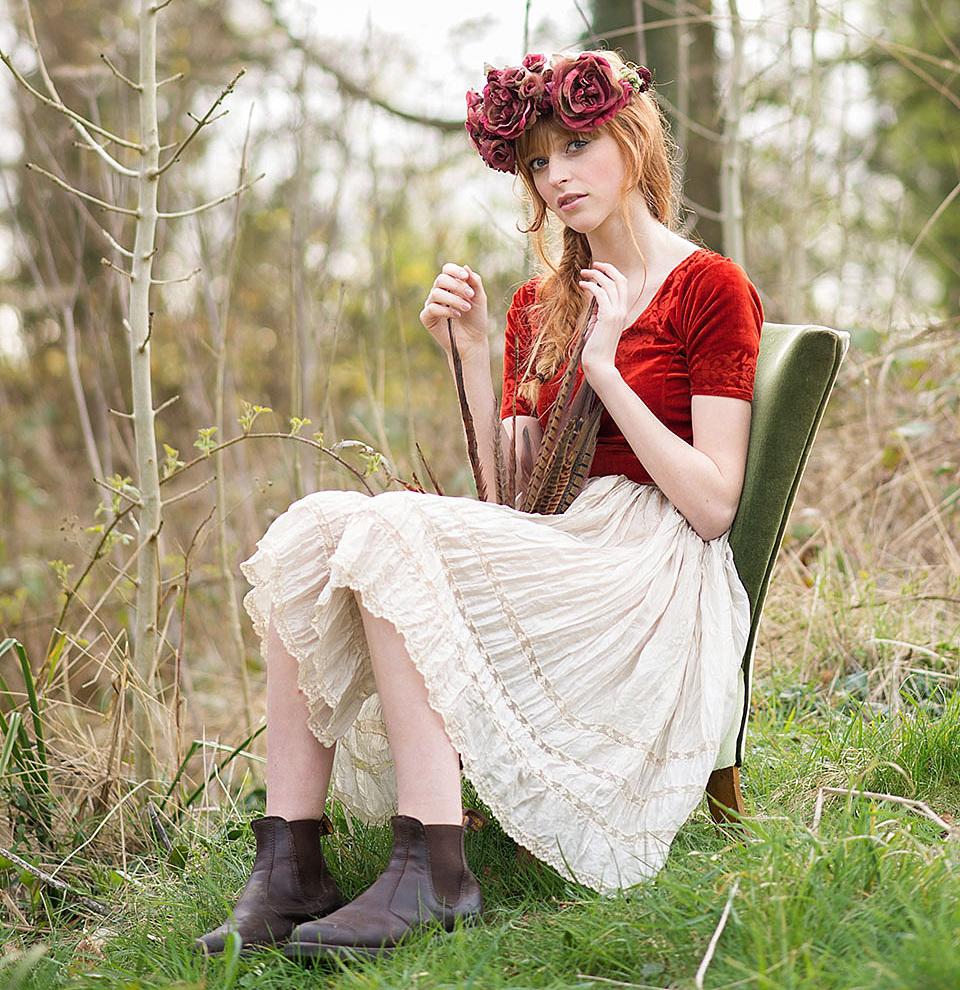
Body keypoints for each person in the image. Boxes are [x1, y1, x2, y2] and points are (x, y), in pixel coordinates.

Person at [196, 49, 763, 963]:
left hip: (647, 568)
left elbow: (713, 504)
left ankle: (435, 867)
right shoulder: (539, 304)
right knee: (315, 528)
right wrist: (464, 353)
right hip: (563, 545)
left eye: (576, 145)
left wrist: (607, 369)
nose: (558, 176)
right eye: (538, 162)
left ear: (632, 139)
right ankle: (291, 861)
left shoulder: (709, 288)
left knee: (388, 530)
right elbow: (509, 507)